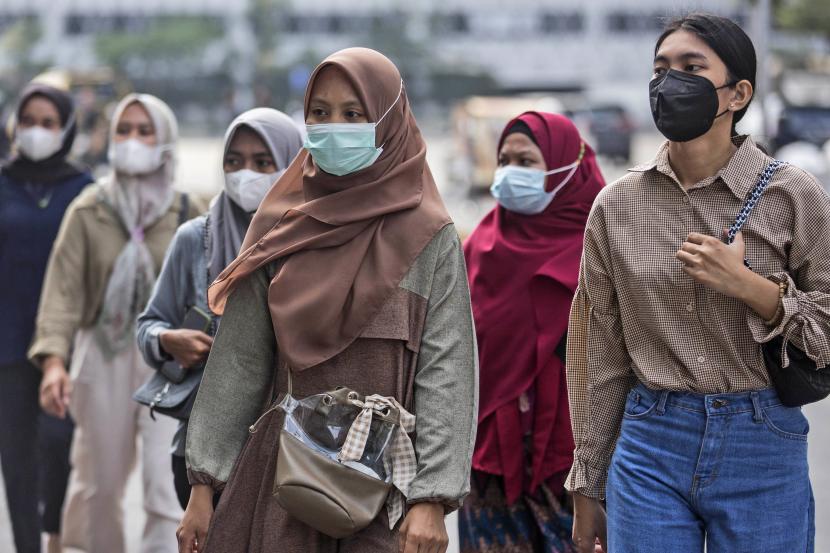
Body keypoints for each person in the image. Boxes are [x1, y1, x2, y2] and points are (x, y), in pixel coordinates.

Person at [177, 47, 478, 553]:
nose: (333, 127)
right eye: (320, 113)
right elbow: (239, 363)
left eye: (353, 114)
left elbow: (447, 370)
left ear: (388, 121)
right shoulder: (280, 227)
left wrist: (432, 498)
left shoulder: (430, 236)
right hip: (284, 483)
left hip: (386, 490)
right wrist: (204, 485)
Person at [567, 13, 830, 553]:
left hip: (762, 440)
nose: (669, 83)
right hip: (649, 443)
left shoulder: (794, 196)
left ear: (738, 94)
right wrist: (587, 483)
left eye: (691, 67)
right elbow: (602, 354)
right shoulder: (616, 206)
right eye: (660, 69)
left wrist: (752, 287)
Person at [29, 93, 202, 553]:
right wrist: (53, 363)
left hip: (169, 361)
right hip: (101, 358)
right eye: (124, 130)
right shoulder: (90, 209)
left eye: (145, 131)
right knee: (98, 483)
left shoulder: (187, 212)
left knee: (164, 487)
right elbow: (61, 292)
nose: (132, 141)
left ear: (165, 140)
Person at [136, 107, 304, 509]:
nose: (245, 173)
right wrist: (167, 340)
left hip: (289, 455)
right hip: (203, 456)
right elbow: (148, 326)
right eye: (234, 161)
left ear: (293, 165)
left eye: (263, 162)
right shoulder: (195, 239)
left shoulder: (309, 245)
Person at [460, 112, 604, 553]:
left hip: (577, 470)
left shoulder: (602, 243)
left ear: (569, 167)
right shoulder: (478, 247)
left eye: (526, 161)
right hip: (489, 466)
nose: (509, 173)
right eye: (504, 160)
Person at [0, 81, 93, 553]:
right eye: (29, 121)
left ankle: (56, 537)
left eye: (48, 123)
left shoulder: (85, 190)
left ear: (67, 129)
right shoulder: (3, 181)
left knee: (60, 447)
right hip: (9, 347)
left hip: (70, 348)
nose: (36, 131)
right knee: (16, 462)